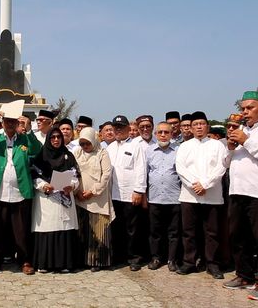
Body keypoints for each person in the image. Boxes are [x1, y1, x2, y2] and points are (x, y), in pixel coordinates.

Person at [0, 112, 42, 275]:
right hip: (0, 191)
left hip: (20, 191)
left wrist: (29, 130)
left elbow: (36, 149)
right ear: (3, 122)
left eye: (14, 121)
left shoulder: (24, 139)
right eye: (7, 121)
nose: (10, 124)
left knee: (21, 229)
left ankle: (24, 259)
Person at [222, 91, 258, 301]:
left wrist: (246, 141)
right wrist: (230, 148)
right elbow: (225, 164)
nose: (245, 112)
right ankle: (244, 275)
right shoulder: (238, 130)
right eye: (242, 108)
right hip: (237, 191)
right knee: (238, 237)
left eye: (250, 108)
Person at [175, 111, 226, 279]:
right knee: (188, 231)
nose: (198, 127)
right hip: (189, 195)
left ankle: (212, 264)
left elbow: (221, 168)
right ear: (191, 127)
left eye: (202, 124)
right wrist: (194, 184)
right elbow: (180, 168)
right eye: (195, 124)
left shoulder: (217, 145)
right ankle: (189, 262)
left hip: (212, 194)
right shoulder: (184, 146)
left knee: (212, 232)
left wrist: (205, 184)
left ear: (207, 126)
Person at [31, 127, 79, 273]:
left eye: (59, 137)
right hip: (47, 199)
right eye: (53, 137)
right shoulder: (41, 156)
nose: (56, 140)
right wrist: (43, 185)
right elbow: (34, 174)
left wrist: (72, 185)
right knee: (48, 227)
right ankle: (44, 263)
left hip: (64, 196)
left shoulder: (68, 156)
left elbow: (76, 175)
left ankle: (65, 263)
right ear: (48, 139)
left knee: (64, 228)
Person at [106, 115, 147, 271]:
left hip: (130, 194)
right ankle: (118, 256)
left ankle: (134, 257)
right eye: (115, 127)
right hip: (114, 194)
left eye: (121, 127)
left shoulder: (136, 146)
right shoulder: (110, 148)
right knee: (117, 227)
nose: (118, 130)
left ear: (128, 129)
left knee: (133, 228)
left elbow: (141, 170)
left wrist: (138, 190)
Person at [74, 127, 115, 271]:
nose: (85, 147)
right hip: (80, 197)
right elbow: (73, 173)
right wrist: (77, 191)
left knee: (99, 232)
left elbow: (106, 175)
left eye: (87, 143)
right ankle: (82, 260)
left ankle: (98, 261)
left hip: (98, 198)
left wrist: (93, 191)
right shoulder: (76, 153)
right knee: (83, 231)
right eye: (82, 144)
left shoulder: (102, 153)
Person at [145, 122, 181, 272]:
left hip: (174, 198)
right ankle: (156, 258)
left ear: (172, 134)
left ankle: (172, 259)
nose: (163, 135)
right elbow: (144, 173)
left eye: (166, 132)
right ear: (155, 134)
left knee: (174, 232)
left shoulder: (178, 151)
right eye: (160, 132)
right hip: (154, 198)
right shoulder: (149, 151)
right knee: (155, 232)